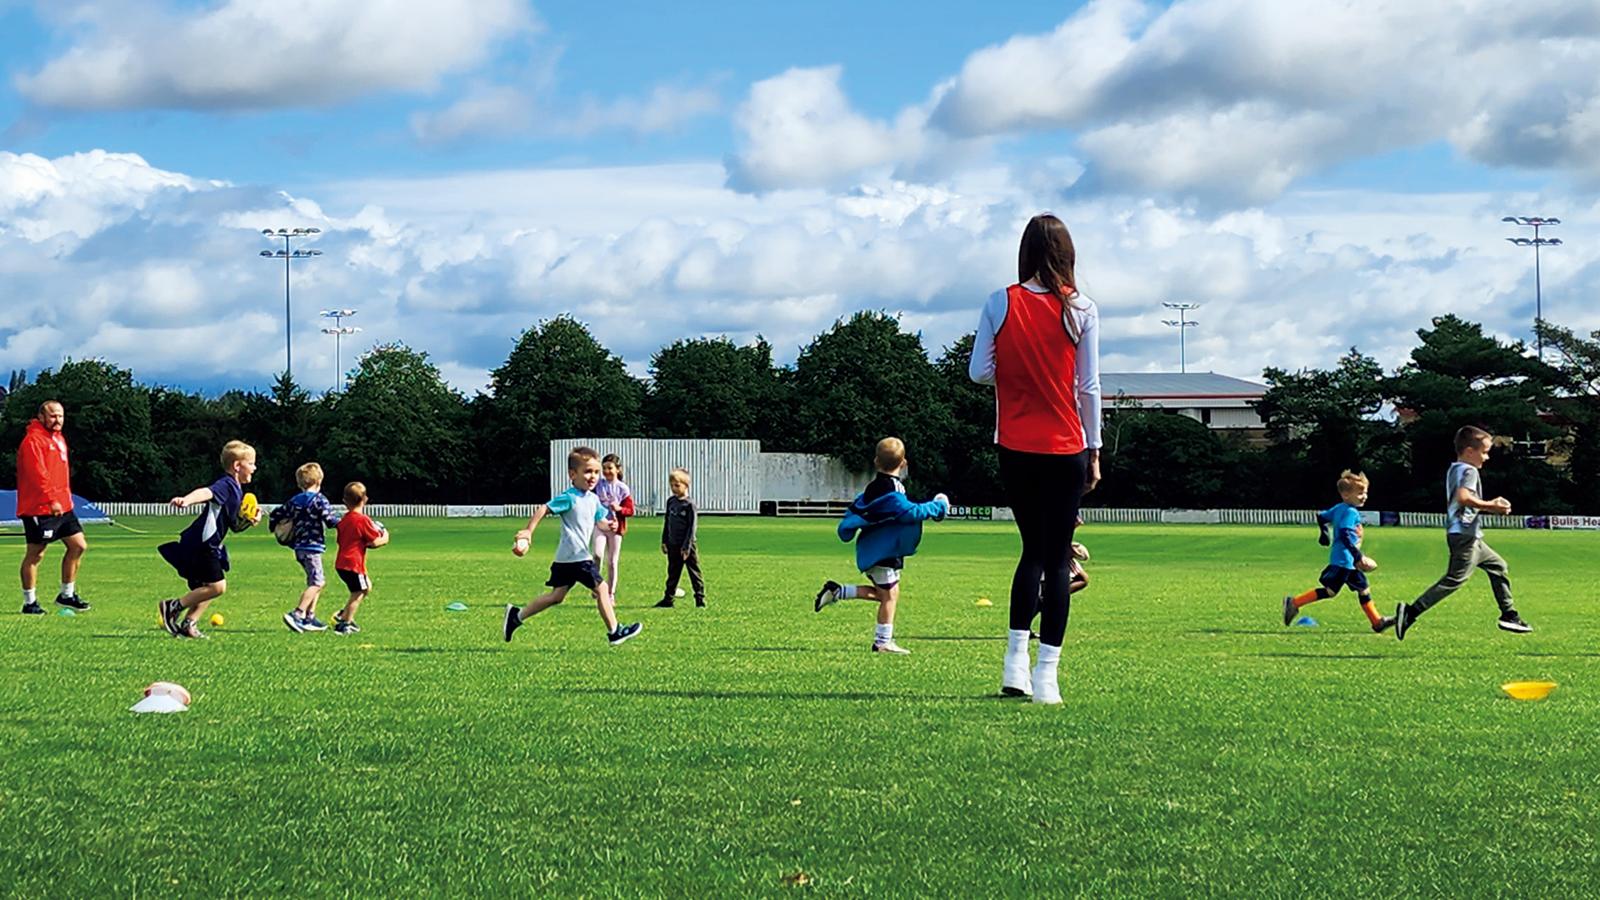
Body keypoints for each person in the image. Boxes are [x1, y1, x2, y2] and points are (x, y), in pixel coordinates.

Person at [969, 213, 1102, 704]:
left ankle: (1013, 668)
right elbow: (1088, 386)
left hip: (1015, 446)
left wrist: (1015, 369)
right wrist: (1095, 449)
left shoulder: (999, 301)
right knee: (1056, 557)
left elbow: (979, 371)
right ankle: (1048, 677)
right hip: (1067, 445)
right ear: (1068, 254)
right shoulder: (1083, 308)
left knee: (1030, 554)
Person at [1394, 426, 1532, 640]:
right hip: (1464, 536)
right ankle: (1410, 612)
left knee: (1498, 566)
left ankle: (1509, 615)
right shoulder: (1469, 470)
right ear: (1469, 451)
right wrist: (1492, 505)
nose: (1486, 458)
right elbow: (1463, 497)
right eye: (1484, 452)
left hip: (1470, 535)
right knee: (1454, 580)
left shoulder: (1455, 468)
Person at [814, 437, 949, 654]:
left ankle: (837, 591)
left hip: (876, 550)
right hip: (883, 552)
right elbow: (909, 512)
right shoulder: (892, 490)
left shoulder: (873, 488)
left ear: (876, 462)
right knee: (889, 597)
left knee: (883, 594)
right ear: (904, 463)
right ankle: (882, 642)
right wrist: (939, 506)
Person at [503, 446, 641, 646]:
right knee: (602, 588)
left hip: (566, 558)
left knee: (556, 597)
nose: (593, 476)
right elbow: (544, 508)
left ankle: (516, 616)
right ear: (572, 474)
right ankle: (614, 632)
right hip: (576, 556)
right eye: (587, 471)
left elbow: (600, 522)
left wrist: (609, 525)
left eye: (596, 472)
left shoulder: (593, 499)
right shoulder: (570, 497)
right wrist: (528, 531)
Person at [157, 440, 260, 639]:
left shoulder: (237, 491)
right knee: (217, 587)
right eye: (252, 463)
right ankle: (172, 607)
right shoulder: (227, 484)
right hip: (202, 544)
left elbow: (235, 527)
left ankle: (189, 624)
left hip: (210, 544)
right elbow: (206, 492)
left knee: (206, 587)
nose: (254, 468)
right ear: (237, 466)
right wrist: (186, 500)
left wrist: (249, 521)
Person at [1282, 470, 1393, 633]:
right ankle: (1294, 603)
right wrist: (1358, 556)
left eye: (1366, 492)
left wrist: (1324, 534)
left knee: (1361, 589)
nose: (1364, 496)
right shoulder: (1350, 512)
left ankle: (1377, 622)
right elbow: (1345, 534)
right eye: (1360, 493)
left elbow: (1321, 517)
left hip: (1345, 560)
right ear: (1346, 495)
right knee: (1332, 591)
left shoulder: (1339, 508)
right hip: (1345, 562)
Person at [15, 400, 90, 614]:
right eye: (53, 416)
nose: (57, 420)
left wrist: (64, 499)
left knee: (78, 546)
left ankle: (67, 595)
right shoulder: (33, 441)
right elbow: (38, 474)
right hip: (40, 507)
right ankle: (30, 602)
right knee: (36, 554)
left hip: (63, 506)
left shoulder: (58, 438)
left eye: (60, 416)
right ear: (41, 417)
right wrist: (51, 499)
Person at [268, 462, 342, 633]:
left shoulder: (295, 500)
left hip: (299, 547)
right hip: (312, 547)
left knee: (313, 581)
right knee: (318, 582)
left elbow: (277, 513)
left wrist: (274, 527)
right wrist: (346, 523)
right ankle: (297, 613)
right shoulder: (319, 500)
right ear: (319, 481)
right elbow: (330, 520)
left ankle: (310, 617)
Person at [331, 481, 388, 635]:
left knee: (366, 586)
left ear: (344, 502)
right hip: (353, 563)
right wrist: (385, 537)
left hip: (341, 563)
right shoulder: (363, 520)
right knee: (359, 591)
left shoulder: (343, 520)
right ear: (365, 499)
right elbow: (374, 542)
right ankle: (344, 623)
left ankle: (345, 614)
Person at [655, 467, 705, 608]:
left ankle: (700, 598)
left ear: (686, 485)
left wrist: (687, 547)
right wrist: (664, 540)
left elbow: (692, 527)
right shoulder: (671, 502)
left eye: (677, 485)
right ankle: (668, 599)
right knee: (672, 572)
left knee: (694, 572)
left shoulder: (689, 505)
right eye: (672, 485)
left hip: (687, 546)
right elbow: (667, 521)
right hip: (672, 544)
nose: (674, 488)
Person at [592, 453, 635, 601]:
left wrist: (619, 509)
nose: (606, 471)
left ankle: (610, 594)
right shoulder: (598, 485)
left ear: (617, 469)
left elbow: (630, 510)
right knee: (597, 554)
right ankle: (596, 586)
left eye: (609, 468)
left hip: (615, 528)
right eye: (604, 468)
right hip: (600, 525)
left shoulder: (623, 488)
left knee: (612, 561)